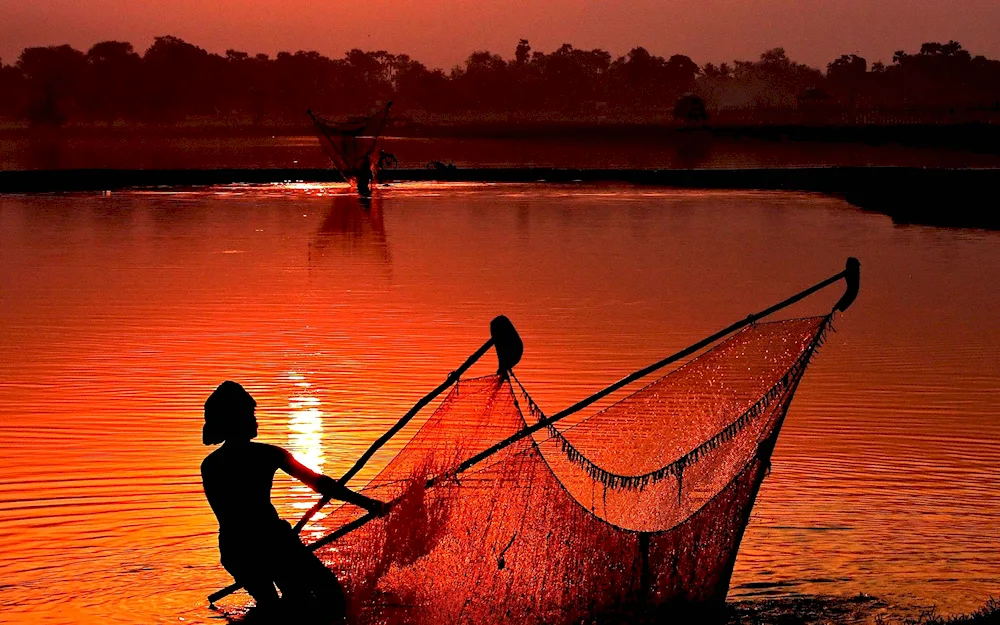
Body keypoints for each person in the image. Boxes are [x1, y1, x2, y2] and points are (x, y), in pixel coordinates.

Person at [201, 381, 385, 621]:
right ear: (237, 420)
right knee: (329, 596)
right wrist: (367, 503)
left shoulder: (211, 465)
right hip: (273, 544)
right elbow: (320, 484)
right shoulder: (267, 455)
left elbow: (233, 517)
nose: (256, 420)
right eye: (250, 414)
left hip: (235, 550)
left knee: (274, 606)